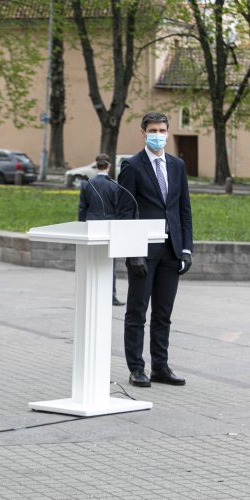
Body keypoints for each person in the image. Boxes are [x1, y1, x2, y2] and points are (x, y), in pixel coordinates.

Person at [117, 111, 193, 388]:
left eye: (162, 131)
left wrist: (186, 249)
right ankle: (137, 368)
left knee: (163, 313)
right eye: (153, 131)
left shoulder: (176, 166)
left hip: (172, 251)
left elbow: (184, 210)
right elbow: (125, 213)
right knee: (137, 312)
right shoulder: (132, 166)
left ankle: (160, 366)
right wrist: (132, 253)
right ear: (143, 132)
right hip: (143, 252)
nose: (158, 135)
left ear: (168, 132)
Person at [78, 153, 125, 306]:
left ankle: (89, 294)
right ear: (109, 166)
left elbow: (82, 208)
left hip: (91, 226)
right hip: (109, 227)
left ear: (96, 165)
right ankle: (111, 295)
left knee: (91, 260)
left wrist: (81, 226)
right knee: (110, 262)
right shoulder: (115, 185)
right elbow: (119, 208)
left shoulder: (87, 184)